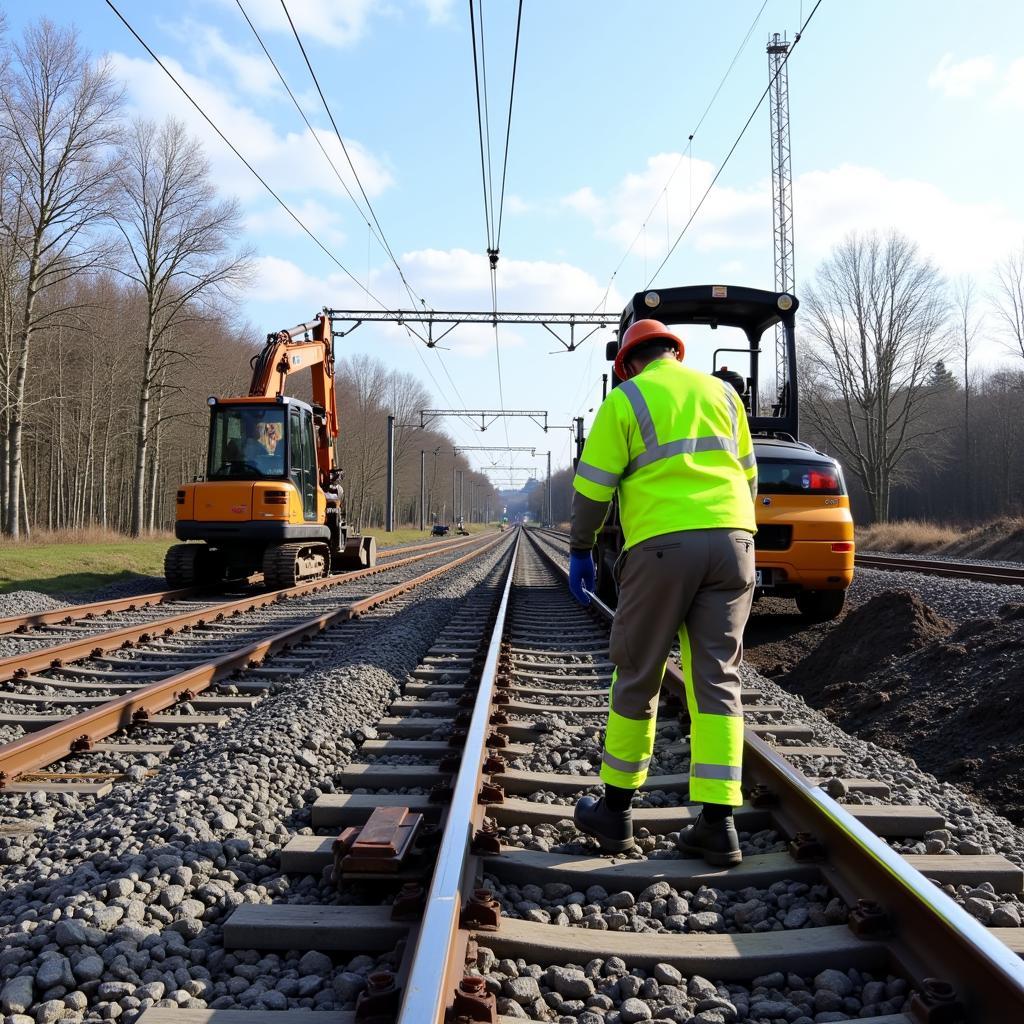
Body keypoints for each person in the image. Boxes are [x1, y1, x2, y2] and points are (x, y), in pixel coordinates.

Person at [567, 318, 757, 867]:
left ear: (628, 361)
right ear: (675, 352)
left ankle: (616, 811)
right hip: (734, 544)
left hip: (661, 550)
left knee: (639, 669)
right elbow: (748, 477)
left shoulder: (628, 398)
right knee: (718, 677)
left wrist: (582, 548)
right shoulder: (723, 394)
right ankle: (718, 826)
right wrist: (737, 538)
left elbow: (592, 487)